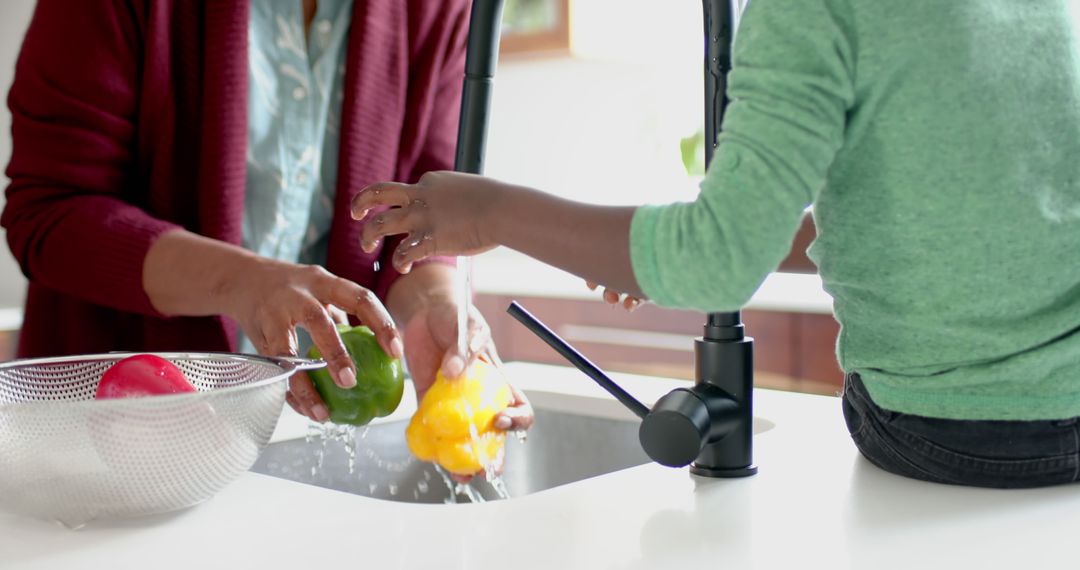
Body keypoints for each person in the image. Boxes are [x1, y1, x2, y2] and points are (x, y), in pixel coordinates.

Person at [352, 0, 1080, 488]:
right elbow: (930, 209)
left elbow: (718, 261)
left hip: (942, 432)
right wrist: (644, 248)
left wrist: (492, 210)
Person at [2, 0, 532, 474]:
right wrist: (245, 283)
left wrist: (436, 305)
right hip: (106, 443)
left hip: (301, 433)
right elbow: (51, 210)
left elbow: (423, 214)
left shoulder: (439, 9)